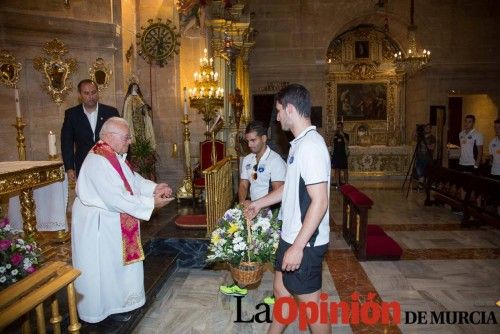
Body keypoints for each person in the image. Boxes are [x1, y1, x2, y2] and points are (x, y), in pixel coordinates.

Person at [246, 84, 331, 334]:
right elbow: (290, 189)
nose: (278, 117)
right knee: (282, 293)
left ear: (291, 109)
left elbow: (320, 201)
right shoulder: (298, 144)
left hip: (305, 242)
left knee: (311, 308)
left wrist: (297, 247)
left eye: (280, 110)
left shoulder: (311, 147)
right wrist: (257, 203)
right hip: (290, 234)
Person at [71, 117, 174, 323]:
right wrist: (150, 203)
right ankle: (103, 310)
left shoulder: (113, 156)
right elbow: (115, 197)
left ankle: (120, 303)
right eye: (126, 137)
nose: (130, 141)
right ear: (109, 137)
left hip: (112, 221)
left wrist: (155, 188)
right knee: (103, 268)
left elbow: (132, 179)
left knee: (115, 267)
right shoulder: (98, 160)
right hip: (98, 226)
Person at [219, 121, 286, 303]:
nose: (250, 145)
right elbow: (242, 185)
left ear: (264, 139)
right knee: (247, 246)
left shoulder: (275, 161)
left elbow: (278, 191)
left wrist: (257, 205)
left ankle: (280, 294)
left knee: (274, 253)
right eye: (248, 141)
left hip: (272, 212)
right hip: (252, 210)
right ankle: (241, 285)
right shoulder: (247, 160)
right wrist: (243, 203)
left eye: (254, 140)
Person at [61, 79, 119, 182]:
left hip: (108, 164)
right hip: (83, 164)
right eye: (86, 93)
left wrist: (123, 163)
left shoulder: (111, 112)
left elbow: (120, 137)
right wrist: (69, 168)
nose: (91, 96)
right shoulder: (72, 114)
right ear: (80, 95)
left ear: (98, 92)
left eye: (93, 92)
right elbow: (67, 142)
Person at [122, 82, 156, 150]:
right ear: (131, 88)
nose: (135, 88)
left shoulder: (140, 98)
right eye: (134, 87)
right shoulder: (129, 99)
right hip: (132, 121)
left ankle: (142, 149)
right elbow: (127, 111)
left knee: (142, 136)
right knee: (133, 135)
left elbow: (143, 108)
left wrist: (145, 108)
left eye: (136, 87)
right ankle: (134, 149)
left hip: (140, 121)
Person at [331, 121, 349, 187]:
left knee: (345, 169)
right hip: (336, 154)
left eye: (340, 127)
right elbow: (331, 144)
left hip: (343, 154)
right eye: (338, 128)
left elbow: (347, 143)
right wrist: (333, 137)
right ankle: (338, 184)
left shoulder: (346, 135)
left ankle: (347, 183)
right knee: (337, 169)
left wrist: (343, 136)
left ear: (342, 127)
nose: (339, 129)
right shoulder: (335, 135)